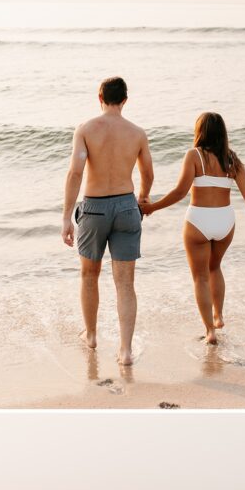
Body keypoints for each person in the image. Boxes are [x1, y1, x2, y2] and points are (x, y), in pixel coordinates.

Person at [140, 112, 245, 345]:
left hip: (199, 221)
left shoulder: (194, 155)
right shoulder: (232, 159)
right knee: (215, 268)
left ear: (199, 131)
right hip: (225, 221)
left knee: (200, 277)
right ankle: (219, 315)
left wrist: (151, 208)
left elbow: (180, 192)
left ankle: (210, 331)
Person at [62, 76, 154, 366]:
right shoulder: (137, 133)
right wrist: (143, 197)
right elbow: (148, 173)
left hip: (94, 210)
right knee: (125, 283)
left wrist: (66, 217)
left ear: (99, 97)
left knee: (89, 275)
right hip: (127, 207)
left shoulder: (86, 129)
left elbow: (75, 172)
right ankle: (125, 351)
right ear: (125, 100)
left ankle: (91, 335)